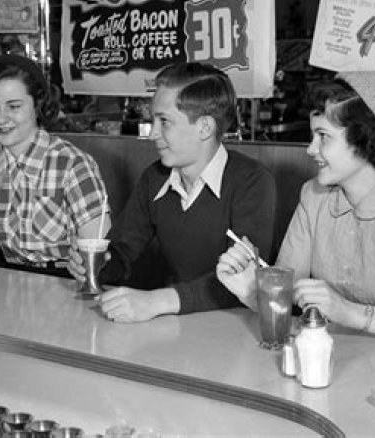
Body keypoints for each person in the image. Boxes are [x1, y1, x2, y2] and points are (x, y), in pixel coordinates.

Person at [217, 71, 375, 344]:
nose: (311, 149)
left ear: (367, 139)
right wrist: (254, 292)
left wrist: (350, 313)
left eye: (323, 136)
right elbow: (287, 301)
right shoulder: (314, 196)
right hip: (330, 358)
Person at [69, 62, 277, 323]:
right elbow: (123, 254)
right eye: (153, 120)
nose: (153, 133)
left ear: (204, 127)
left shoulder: (252, 181)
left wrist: (156, 301)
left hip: (236, 327)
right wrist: (96, 265)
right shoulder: (155, 178)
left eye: (164, 121)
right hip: (176, 326)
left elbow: (242, 279)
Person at [0, 54, 110, 276]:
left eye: (14, 106)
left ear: (38, 105)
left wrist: (85, 268)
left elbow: (101, 258)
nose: (1, 119)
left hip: (67, 282)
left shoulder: (72, 164)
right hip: (12, 281)